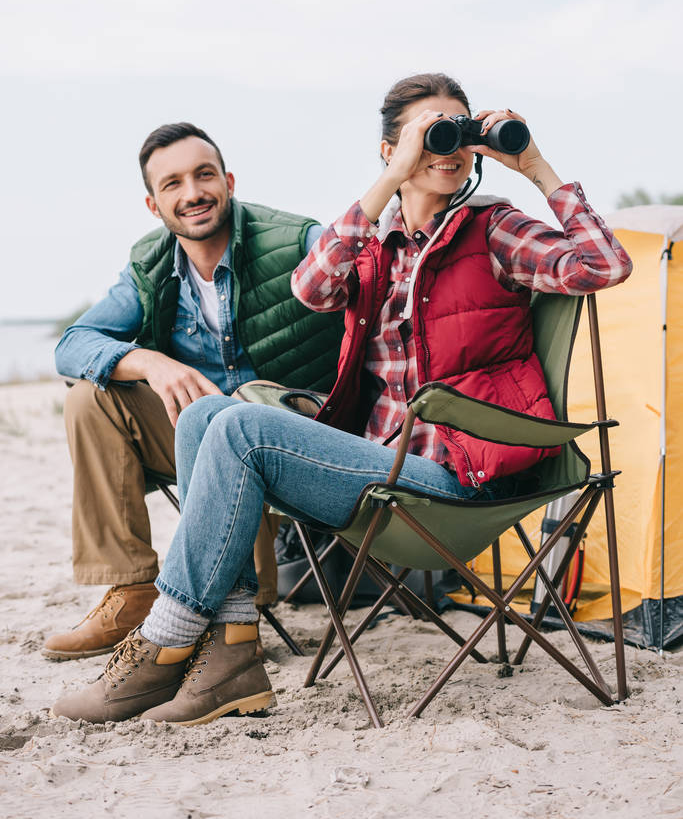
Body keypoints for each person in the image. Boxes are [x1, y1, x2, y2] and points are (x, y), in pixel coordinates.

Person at [52, 73, 632, 725]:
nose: (448, 147)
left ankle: (165, 638)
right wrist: (386, 188)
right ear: (390, 151)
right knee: (208, 411)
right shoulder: (375, 246)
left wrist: (534, 166)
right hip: (377, 468)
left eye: (459, 131)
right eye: (429, 134)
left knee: (240, 427)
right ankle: (230, 650)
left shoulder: (491, 227)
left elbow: (602, 264)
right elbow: (310, 287)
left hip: (455, 480)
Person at [45, 122, 342, 660]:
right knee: (89, 398)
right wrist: (149, 361)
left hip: (294, 444)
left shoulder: (297, 239)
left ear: (228, 180)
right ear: (152, 202)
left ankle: (239, 594)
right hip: (197, 440)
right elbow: (72, 344)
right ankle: (133, 588)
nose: (192, 193)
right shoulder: (150, 263)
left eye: (204, 175)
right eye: (172, 183)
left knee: (236, 425)